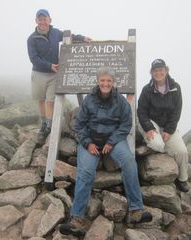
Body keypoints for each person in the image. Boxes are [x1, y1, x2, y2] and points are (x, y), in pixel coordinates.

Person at [59, 67, 152, 237]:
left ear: (113, 83)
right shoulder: (89, 100)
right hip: (91, 142)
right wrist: (87, 143)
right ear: (98, 81)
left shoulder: (121, 101)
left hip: (113, 141)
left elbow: (126, 124)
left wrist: (111, 141)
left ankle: (136, 211)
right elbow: (79, 125)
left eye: (109, 81)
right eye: (102, 80)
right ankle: (76, 220)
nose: (105, 83)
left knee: (129, 162)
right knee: (85, 172)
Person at [27, 9, 91, 145]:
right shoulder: (31, 39)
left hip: (53, 74)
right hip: (38, 73)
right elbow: (34, 58)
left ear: (50, 20)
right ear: (36, 21)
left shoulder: (55, 33)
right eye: (40, 19)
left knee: (50, 101)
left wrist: (82, 38)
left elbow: (68, 36)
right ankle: (43, 124)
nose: (43, 22)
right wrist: (49, 65)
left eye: (45, 19)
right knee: (40, 99)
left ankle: (49, 127)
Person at [137, 59, 189, 192]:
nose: (158, 72)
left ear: (166, 71)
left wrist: (169, 130)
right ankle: (153, 140)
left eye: (161, 70)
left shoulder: (175, 87)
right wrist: (148, 128)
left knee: (182, 151)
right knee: (158, 145)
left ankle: (182, 179)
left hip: (168, 125)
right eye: (155, 70)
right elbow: (141, 111)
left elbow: (177, 111)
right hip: (151, 122)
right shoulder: (147, 89)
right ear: (151, 73)